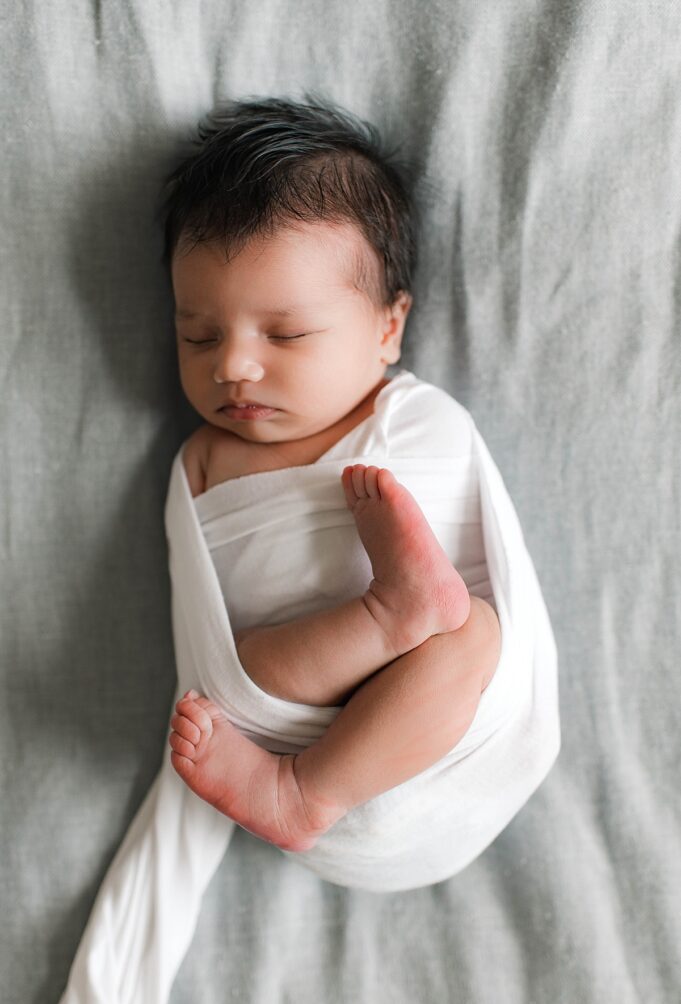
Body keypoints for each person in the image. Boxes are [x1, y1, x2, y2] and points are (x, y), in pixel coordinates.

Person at [158, 95, 502, 856]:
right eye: (198, 334)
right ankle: (389, 614)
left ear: (388, 328)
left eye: (286, 334)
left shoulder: (411, 422)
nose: (232, 366)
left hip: (417, 736)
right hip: (284, 703)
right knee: (245, 667)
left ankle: (304, 793)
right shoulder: (203, 457)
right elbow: (214, 639)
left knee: (473, 636)